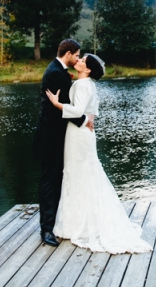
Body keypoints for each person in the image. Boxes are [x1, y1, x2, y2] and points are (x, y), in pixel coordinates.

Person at [46, 54, 153, 254]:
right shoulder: (84, 84)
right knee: (79, 174)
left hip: (78, 136)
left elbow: (77, 110)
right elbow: (89, 110)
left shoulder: (84, 85)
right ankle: (78, 221)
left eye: (82, 61)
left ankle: (78, 224)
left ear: (87, 70)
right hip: (80, 134)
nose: (77, 61)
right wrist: (88, 115)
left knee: (78, 174)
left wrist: (56, 103)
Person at [33, 39, 94, 247]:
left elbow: (69, 100)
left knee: (56, 180)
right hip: (50, 137)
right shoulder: (54, 73)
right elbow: (68, 107)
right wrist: (86, 121)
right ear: (68, 53)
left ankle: (56, 222)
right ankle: (46, 230)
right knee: (49, 182)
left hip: (58, 136)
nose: (78, 58)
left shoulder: (58, 71)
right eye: (77, 55)